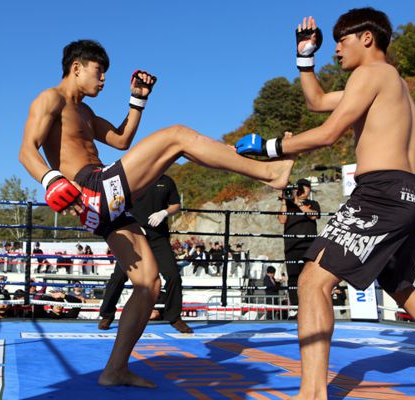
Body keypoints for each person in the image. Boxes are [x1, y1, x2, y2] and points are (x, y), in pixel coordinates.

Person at [235, 9, 415, 395]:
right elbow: (318, 101)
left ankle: (313, 392)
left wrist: (271, 147)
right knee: (399, 284)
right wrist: (305, 58)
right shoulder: (392, 83)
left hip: (381, 194)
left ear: (367, 38)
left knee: (312, 282)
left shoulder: (369, 74)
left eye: (342, 40)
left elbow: (329, 132)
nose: (335, 50)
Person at [18, 39, 293, 388]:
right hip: (91, 188)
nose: (103, 80)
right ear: (77, 67)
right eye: (99, 71)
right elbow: (26, 150)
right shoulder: (50, 99)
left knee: (149, 283)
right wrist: (52, 180)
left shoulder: (85, 112)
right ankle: (270, 173)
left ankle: (115, 369)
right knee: (176, 137)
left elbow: (120, 140)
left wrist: (137, 100)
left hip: (101, 202)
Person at [98, 175, 193, 334]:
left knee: (173, 275)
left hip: (158, 237)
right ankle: (107, 314)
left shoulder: (166, 181)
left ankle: (174, 317)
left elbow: (176, 205)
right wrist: (128, 225)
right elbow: (115, 206)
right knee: (119, 277)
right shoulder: (130, 177)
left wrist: (164, 212)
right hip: (133, 236)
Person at [277, 178, 320, 308]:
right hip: (292, 245)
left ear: (309, 189)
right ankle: (295, 306)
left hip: (309, 245)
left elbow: (313, 215)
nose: (301, 189)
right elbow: (282, 220)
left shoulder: (312, 203)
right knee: (293, 276)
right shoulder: (288, 205)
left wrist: (298, 202)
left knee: (310, 275)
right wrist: (285, 200)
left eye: (304, 187)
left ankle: (310, 304)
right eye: (299, 187)